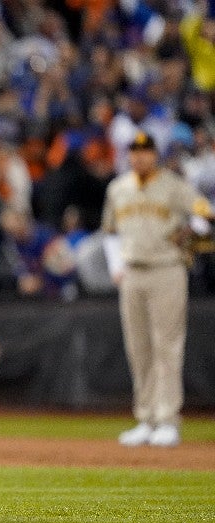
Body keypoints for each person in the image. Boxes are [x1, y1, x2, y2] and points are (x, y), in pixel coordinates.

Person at [102, 132, 214, 448]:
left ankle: (167, 420)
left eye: (145, 151)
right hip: (133, 271)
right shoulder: (118, 188)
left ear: (155, 155)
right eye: (134, 152)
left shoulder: (174, 185)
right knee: (138, 347)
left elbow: (205, 214)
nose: (139, 157)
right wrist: (115, 268)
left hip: (167, 269)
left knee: (167, 345)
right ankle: (146, 418)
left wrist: (194, 232)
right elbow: (110, 231)